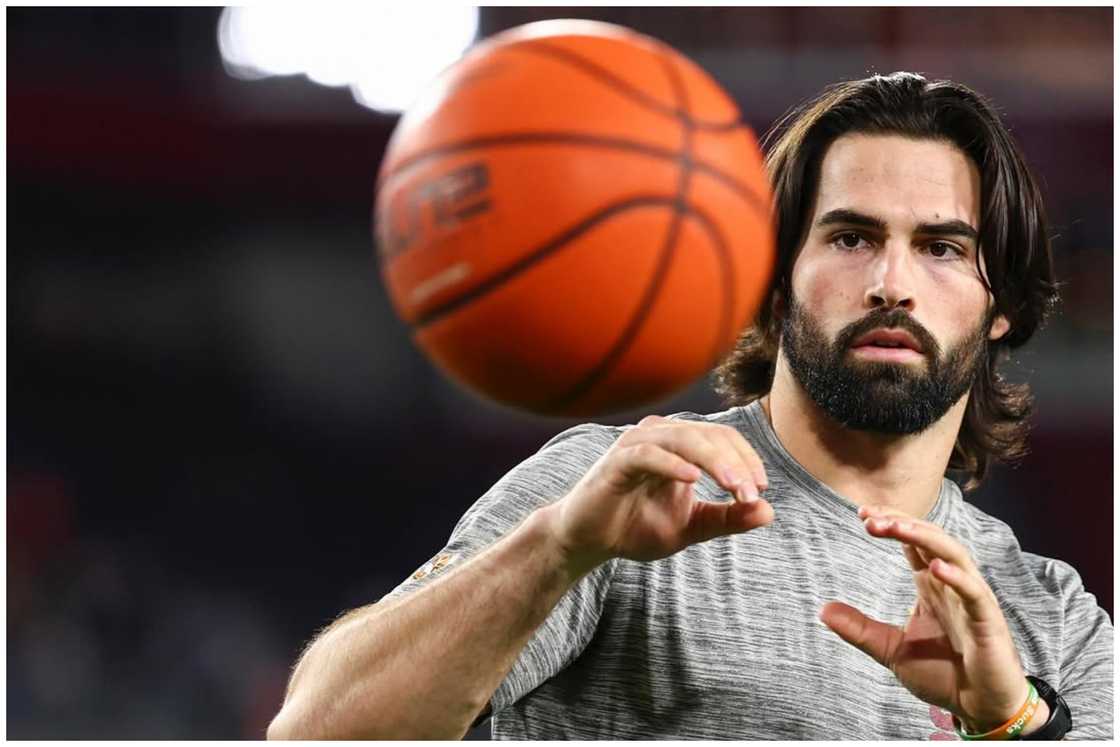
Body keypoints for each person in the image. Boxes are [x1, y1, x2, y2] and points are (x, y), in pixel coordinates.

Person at [266, 72, 1113, 740]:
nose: (891, 283)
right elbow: (317, 731)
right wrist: (559, 549)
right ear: (775, 283)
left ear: (1001, 306)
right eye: (851, 238)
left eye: (941, 248)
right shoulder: (616, 493)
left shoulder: (1057, 621)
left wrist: (1013, 725)